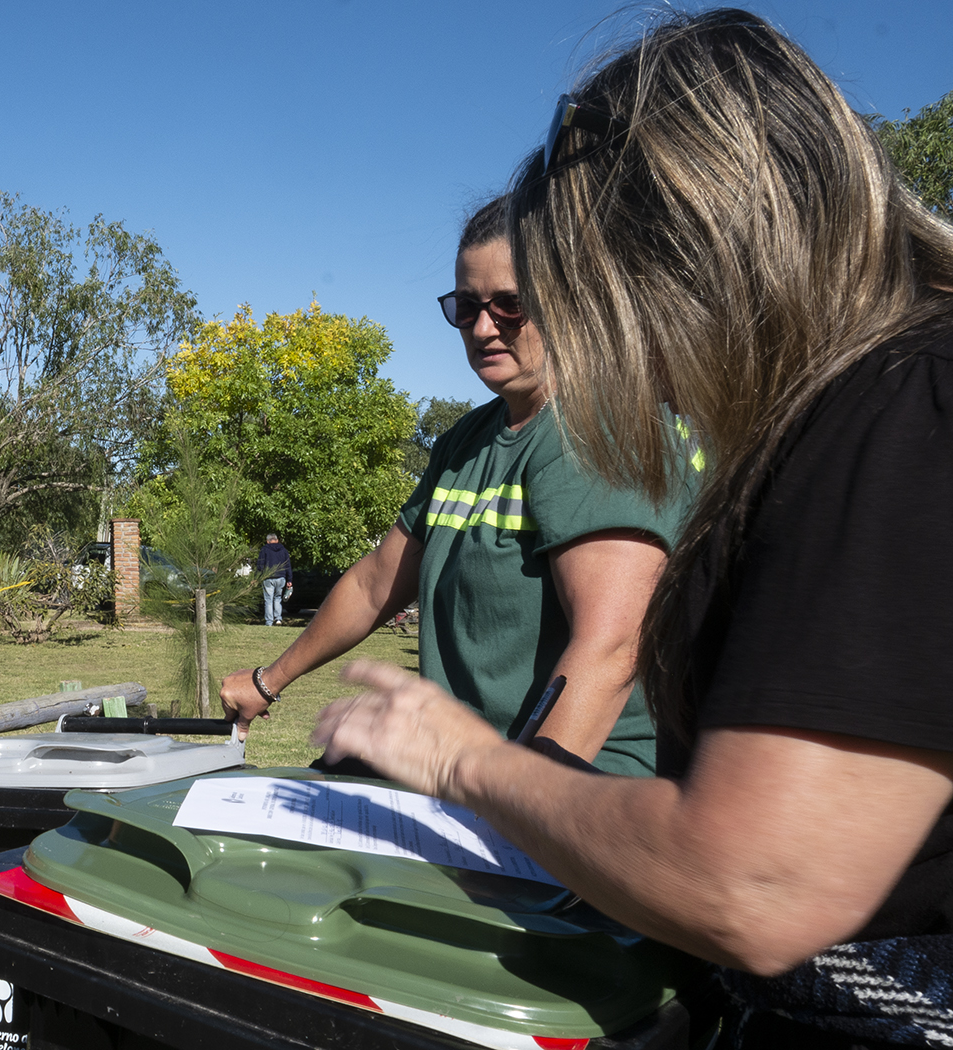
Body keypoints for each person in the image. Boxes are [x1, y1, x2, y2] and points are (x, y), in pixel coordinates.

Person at [314, 10, 953, 1048]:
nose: (620, 360)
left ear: (696, 254)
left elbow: (756, 882)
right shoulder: (830, 425)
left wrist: (468, 762)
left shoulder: (907, 403)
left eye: (591, 301)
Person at [223, 198, 695, 776]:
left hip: (574, 780)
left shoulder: (604, 435)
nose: (483, 327)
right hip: (457, 766)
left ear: (574, 303)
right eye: (466, 307)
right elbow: (377, 584)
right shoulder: (465, 441)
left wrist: (517, 805)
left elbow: (611, 648)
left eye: (510, 305)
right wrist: (267, 681)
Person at [256, 533, 292, 625]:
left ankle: (269, 621)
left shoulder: (264, 549)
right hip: (281, 577)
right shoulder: (283, 550)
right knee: (278, 598)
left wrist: (256, 577)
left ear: (268, 541)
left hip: (268, 577)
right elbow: (288, 566)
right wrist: (289, 580)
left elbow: (260, 565)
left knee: (268, 600)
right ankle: (278, 618)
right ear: (277, 540)